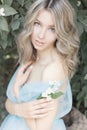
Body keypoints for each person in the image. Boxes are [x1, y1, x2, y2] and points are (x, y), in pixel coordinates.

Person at [0, 0, 80, 130]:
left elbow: (40, 128)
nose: (41, 35)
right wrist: (19, 108)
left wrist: (18, 93)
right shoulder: (32, 57)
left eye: (52, 29)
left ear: (61, 32)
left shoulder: (53, 70)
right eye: (38, 24)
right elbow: (9, 104)